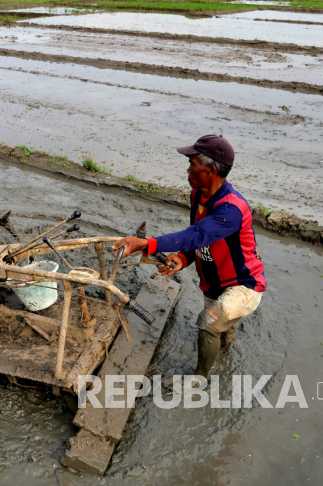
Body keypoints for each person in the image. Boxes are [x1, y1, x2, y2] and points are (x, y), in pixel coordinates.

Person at [113, 135, 266, 388]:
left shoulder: (231, 209)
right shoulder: (199, 194)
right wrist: (183, 259)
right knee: (221, 324)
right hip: (214, 283)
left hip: (243, 284)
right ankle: (225, 347)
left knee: (208, 321)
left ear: (210, 170)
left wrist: (146, 244)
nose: (188, 169)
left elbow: (196, 234)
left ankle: (200, 379)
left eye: (192, 163)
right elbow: (199, 238)